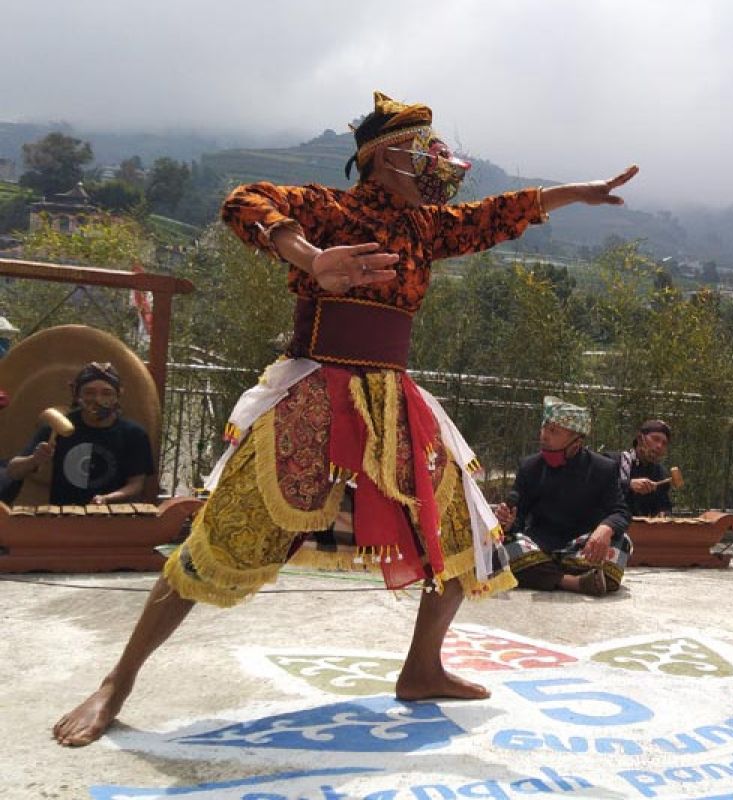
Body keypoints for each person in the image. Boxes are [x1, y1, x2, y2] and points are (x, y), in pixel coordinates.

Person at [52, 92, 639, 747]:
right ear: (385, 157)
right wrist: (308, 257)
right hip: (316, 389)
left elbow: (502, 213)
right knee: (224, 534)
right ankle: (118, 681)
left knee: (464, 529)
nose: (441, 160)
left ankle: (421, 669)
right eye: (427, 147)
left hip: (394, 397)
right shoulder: (334, 211)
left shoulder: (428, 226)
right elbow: (243, 199)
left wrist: (576, 194)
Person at [495, 396, 631, 596]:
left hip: (581, 549)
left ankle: (543, 576)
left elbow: (621, 512)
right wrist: (507, 523)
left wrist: (605, 528)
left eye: (553, 431)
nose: (544, 436)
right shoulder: (529, 467)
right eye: (544, 428)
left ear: (576, 443)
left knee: (622, 541)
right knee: (502, 542)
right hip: (539, 549)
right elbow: (518, 519)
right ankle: (571, 581)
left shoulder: (603, 468)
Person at [3, 362, 154, 506]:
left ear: (118, 395)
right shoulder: (56, 427)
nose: (97, 399)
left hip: (112, 520)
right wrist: (34, 459)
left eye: (106, 393)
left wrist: (106, 499)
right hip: (62, 520)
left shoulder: (134, 434)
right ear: (76, 394)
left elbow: (136, 484)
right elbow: (13, 471)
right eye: (89, 392)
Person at [613, 419, 673, 518]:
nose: (659, 446)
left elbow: (664, 506)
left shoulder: (660, 474)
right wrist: (629, 485)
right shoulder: (614, 462)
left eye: (664, 443)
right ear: (640, 438)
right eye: (655, 439)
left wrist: (664, 513)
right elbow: (597, 488)